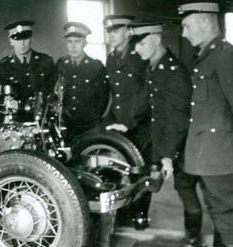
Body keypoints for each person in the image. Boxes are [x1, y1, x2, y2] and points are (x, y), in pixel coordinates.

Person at [131, 22, 202, 246]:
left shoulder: (174, 72)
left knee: (186, 189)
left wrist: (168, 155)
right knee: (167, 185)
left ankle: (194, 237)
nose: (137, 49)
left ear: (157, 39)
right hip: (164, 140)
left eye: (141, 43)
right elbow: (145, 101)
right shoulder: (153, 67)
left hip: (184, 142)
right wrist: (124, 124)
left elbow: (179, 119)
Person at [179, 1, 233, 246]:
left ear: (205, 21)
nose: (184, 33)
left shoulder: (225, 55)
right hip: (210, 159)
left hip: (222, 158)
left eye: (186, 25)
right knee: (219, 214)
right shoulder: (207, 56)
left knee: (229, 219)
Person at [102, 15, 152, 230]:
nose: (111, 35)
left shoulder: (139, 55)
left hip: (140, 124)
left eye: (116, 31)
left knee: (141, 171)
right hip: (119, 123)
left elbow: (145, 93)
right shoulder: (111, 58)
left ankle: (140, 213)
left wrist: (129, 122)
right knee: (122, 168)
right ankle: (124, 211)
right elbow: (115, 95)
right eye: (109, 31)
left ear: (128, 31)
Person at [56, 22, 109, 141]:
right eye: (70, 42)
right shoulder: (61, 65)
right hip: (66, 125)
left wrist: (94, 120)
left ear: (85, 43)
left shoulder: (96, 66)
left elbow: (103, 98)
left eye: (77, 41)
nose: (73, 46)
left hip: (89, 125)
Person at [0, 20, 57, 121]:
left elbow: (54, 92)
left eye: (26, 38)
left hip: (43, 120)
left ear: (31, 38)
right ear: (11, 41)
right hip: (17, 122)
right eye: (17, 39)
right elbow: (0, 100)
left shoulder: (45, 61)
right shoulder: (3, 67)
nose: (22, 43)